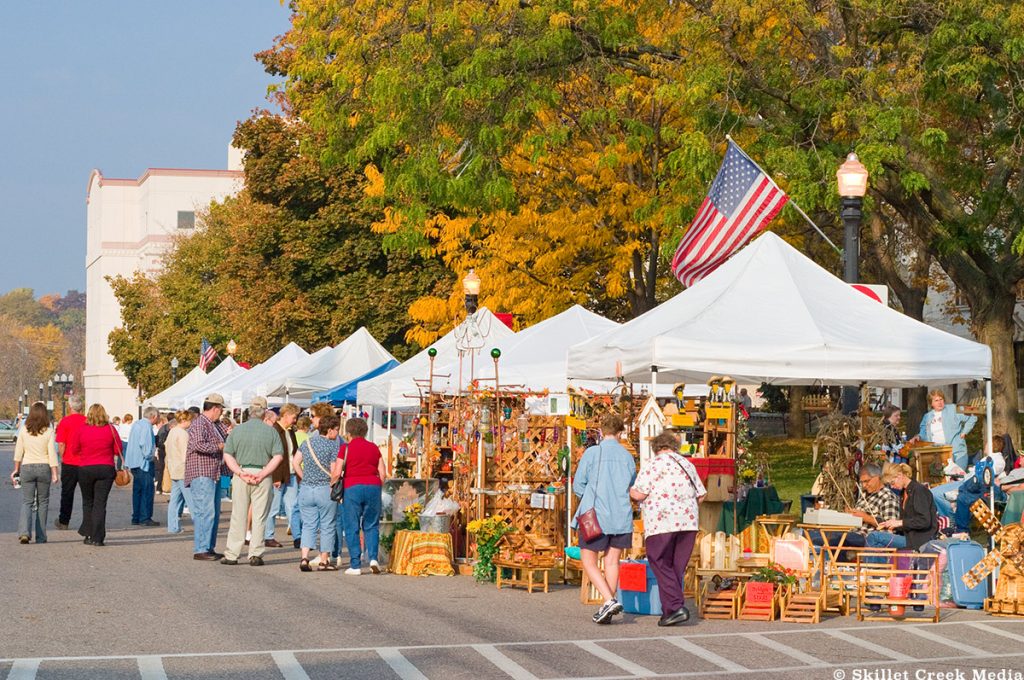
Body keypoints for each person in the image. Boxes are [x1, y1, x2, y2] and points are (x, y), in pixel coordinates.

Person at [629, 431, 705, 626]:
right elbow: (701, 494)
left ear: (656, 448)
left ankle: (676, 606)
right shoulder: (687, 464)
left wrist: (630, 490)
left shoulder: (653, 465)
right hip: (688, 522)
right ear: (674, 446)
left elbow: (638, 494)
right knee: (676, 566)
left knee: (659, 561)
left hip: (662, 521)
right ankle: (669, 610)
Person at [572, 414, 637, 624]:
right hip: (621, 515)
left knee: (588, 561)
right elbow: (632, 483)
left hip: (595, 515)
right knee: (612, 561)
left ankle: (608, 600)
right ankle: (607, 605)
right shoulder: (627, 456)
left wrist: (590, 494)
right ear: (620, 433)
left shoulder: (592, 453)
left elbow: (578, 485)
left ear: (601, 431)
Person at [219, 402, 283, 566]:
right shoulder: (271, 432)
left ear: (248, 414)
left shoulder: (237, 430)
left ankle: (232, 554)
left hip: (242, 473)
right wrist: (263, 473)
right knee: (260, 515)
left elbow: (228, 454)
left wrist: (239, 472)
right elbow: (278, 456)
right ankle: (255, 553)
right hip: (263, 473)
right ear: (263, 416)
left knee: (238, 515)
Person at [808, 463, 900, 557]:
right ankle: (826, 565)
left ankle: (828, 567)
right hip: (853, 533)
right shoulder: (865, 494)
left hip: (868, 537)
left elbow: (890, 530)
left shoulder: (888, 498)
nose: (864, 485)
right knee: (813, 533)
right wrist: (849, 515)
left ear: (877, 477)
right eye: (862, 482)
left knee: (835, 539)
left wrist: (865, 517)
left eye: (867, 481)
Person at [71, 404, 124, 546]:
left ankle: (88, 534)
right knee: (100, 503)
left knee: (88, 502)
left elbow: (74, 449)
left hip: (86, 468)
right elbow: (117, 448)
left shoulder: (82, 429)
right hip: (106, 468)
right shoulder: (110, 429)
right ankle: (98, 537)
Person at [295, 413, 342, 571]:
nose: (337, 433)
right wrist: (333, 484)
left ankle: (304, 557)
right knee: (327, 525)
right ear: (329, 430)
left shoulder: (307, 442)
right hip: (324, 489)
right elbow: (334, 470)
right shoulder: (332, 445)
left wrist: (304, 477)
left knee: (308, 525)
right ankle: (323, 561)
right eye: (336, 430)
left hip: (307, 488)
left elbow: (296, 462)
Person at [184, 393, 228, 560]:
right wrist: (218, 446)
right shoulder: (199, 423)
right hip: (202, 472)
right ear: (215, 408)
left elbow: (225, 437)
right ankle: (201, 548)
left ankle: (208, 546)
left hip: (212, 472)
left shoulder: (212, 424)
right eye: (221, 410)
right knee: (205, 511)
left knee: (213, 513)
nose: (222, 413)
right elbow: (197, 444)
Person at [340, 417, 385, 575]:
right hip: (373, 486)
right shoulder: (373, 447)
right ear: (365, 432)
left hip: (352, 487)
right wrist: (378, 486)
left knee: (352, 526)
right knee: (371, 525)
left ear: (349, 432)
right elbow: (383, 472)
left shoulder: (345, 448)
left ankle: (355, 565)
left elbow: (337, 471)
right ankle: (373, 558)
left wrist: (333, 485)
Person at [946, 435, 1015, 534]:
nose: (985, 446)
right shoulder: (987, 458)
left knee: (970, 487)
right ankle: (961, 530)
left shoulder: (998, 460)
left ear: (991, 445)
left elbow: (987, 475)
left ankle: (961, 529)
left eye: (987, 444)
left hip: (987, 489)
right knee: (963, 498)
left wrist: (975, 474)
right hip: (978, 487)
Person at [13, 402, 59, 544]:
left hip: (27, 467)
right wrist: (55, 472)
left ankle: (24, 532)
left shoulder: (24, 430)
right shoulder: (49, 431)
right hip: (43, 467)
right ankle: (41, 535)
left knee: (27, 501)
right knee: (43, 502)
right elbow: (52, 453)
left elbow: (18, 452)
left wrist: (16, 469)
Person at [867, 462, 939, 552]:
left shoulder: (919, 491)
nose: (892, 487)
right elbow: (909, 522)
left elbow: (924, 521)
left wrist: (899, 523)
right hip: (909, 537)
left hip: (919, 540)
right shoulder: (903, 493)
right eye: (890, 485)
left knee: (874, 537)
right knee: (875, 538)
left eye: (892, 483)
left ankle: (873, 566)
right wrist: (889, 524)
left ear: (900, 475)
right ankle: (881, 565)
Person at [909, 389, 976, 471]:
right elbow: (923, 432)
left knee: (958, 477)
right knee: (942, 481)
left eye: (941, 399)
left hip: (957, 453)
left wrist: (965, 432)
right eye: (936, 400)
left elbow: (972, 415)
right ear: (931, 403)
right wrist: (918, 436)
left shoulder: (953, 409)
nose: (939, 402)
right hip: (938, 455)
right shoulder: (927, 416)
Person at [267, 403, 300, 548]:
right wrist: (275, 477)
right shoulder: (274, 430)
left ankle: (298, 537)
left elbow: (294, 452)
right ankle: (268, 536)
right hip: (279, 475)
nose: (295, 420)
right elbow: (272, 456)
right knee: (273, 507)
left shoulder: (290, 431)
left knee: (292, 506)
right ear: (286, 415)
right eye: (293, 417)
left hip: (291, 474)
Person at [54, 395, 87, 530]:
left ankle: (64, 521)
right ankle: (88, 521)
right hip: (85, 462)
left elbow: (61, 443)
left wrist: (63, 457)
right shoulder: (87, 421)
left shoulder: (65, 422)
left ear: (70, 406)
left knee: (67, 492)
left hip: (69, 462)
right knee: (87, 494)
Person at [125, 406, 160, 527]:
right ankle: (145, 517)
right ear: (154, 416)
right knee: (147, 490)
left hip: (134, 462)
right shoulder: (146, 426)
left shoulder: (137, 424)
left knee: (137, 490)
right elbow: (145, 445)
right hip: (143, 463)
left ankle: (136, 516)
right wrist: (150, 456)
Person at [166, 410, 193, 534]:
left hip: (173, 467)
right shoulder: (183, 434)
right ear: (184, 420)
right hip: (182, 469)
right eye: (190, 420)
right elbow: (185, 454)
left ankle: (173, 526)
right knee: (191, 500)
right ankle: (199, 525)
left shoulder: (172, 431)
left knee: (174, 500)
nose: (191, 423)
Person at [154, 412, 174, 495]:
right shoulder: (169, 429)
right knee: (165, 469)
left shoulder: (162, 428)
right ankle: (165, 487)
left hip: (161, 450)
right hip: (165, 450)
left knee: (161, 469)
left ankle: (159, 487)